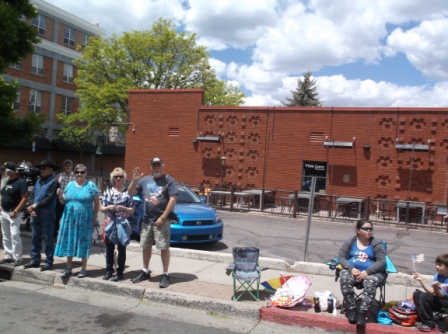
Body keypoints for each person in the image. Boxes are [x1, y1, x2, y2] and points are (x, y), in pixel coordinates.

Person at [128, 156, 177, 288]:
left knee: (164, 247)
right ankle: (145, 271)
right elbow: (131, 192)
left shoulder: (168, 180)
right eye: (154, 165)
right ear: (150, 167)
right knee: (146, 246)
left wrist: (163, 217)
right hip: (146, 220)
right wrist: (134, 181)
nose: (156, 167)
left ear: (162, 165)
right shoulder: (144, 180)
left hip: (162, 221)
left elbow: (172, 199)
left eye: (158, 165)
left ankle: (165, 274)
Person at [338, 220, 386, 326]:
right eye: (365, 229)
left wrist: (367, 272)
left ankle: (362, 313)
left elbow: (382, 261)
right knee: (344, 276)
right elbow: (341, 257)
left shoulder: (376, 244)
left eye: (371, 229)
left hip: (370, 274)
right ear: (358, 230)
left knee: (371, 281)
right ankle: (352, 309)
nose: (369, 231)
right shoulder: (350, 241)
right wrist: (351, 269)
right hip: (353, 272)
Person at [54, 164, 99, 278]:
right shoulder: (69, 185)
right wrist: (59, 195)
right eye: (77, 172)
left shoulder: (91, 185)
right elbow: (63, 202)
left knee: (83, 241)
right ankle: (68, 267)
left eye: (82, 172)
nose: (79, 174)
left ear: (86, 173)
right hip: (69, 218)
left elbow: (97, 203)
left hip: (85, 218)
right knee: (69, 240)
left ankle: (84, 268)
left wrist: (94, 217)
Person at [100, 167, 134, 282]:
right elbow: (102, 208)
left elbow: (132, 209)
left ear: (124, 178)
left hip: (122, 222)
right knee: (109, 248)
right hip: (110, 222)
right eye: (116, 176)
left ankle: (119, 272)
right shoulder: (107, 191)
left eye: (120, 176)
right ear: (112, 178)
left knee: (121, 248)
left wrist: (124, 208)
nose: (118, 178)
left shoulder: (128, 192)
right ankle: (109, 270)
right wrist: (109, 207)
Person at [24, 160, 59, 271]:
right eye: (41, 168)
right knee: (35, 238)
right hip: (36, 213)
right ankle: (35, 260)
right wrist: (31, 207)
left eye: (44, 168)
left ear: (51, 169)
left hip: (47, 214)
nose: (42, 170)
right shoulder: (38, 181)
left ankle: (48, 261)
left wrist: (35, 206)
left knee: (48, 239)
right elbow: (32, 195)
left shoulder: (54, 181)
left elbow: (49, 198)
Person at [0, 162, 28, 266]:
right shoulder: (4, 181)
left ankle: (18, 257)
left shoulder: (20, 183)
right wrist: (0, 205)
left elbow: (25, 198)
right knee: (5, 235)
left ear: (9, 171)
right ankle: (8, 256)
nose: (2, 172)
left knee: (14, 235)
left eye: (4, 170)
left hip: (14, 213)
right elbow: (1, 194)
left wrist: (16, 210)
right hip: (4, 212)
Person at [413, 254, 448, 332]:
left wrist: (435, 287)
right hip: (439, 299)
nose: (437, 267)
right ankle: (422, 319)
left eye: (440, 265)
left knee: (425, 296)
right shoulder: (438, 275)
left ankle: (429, 324)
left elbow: (442, 296)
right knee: (417, 294)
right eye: (437, 264)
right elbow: (431, 291)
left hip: (446, 301)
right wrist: (421, 280)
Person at [54, 159, 75, 239]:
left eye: (69, 165)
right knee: (56, 217)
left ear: (72, 166)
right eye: (66, 165)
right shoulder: (60, 175)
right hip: (60, 199)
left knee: (69, 218)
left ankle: (68, 235)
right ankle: (55, 234)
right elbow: (56, 186)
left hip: (71, 200)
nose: (68, 166)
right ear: (63, 166)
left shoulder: (75, 176)